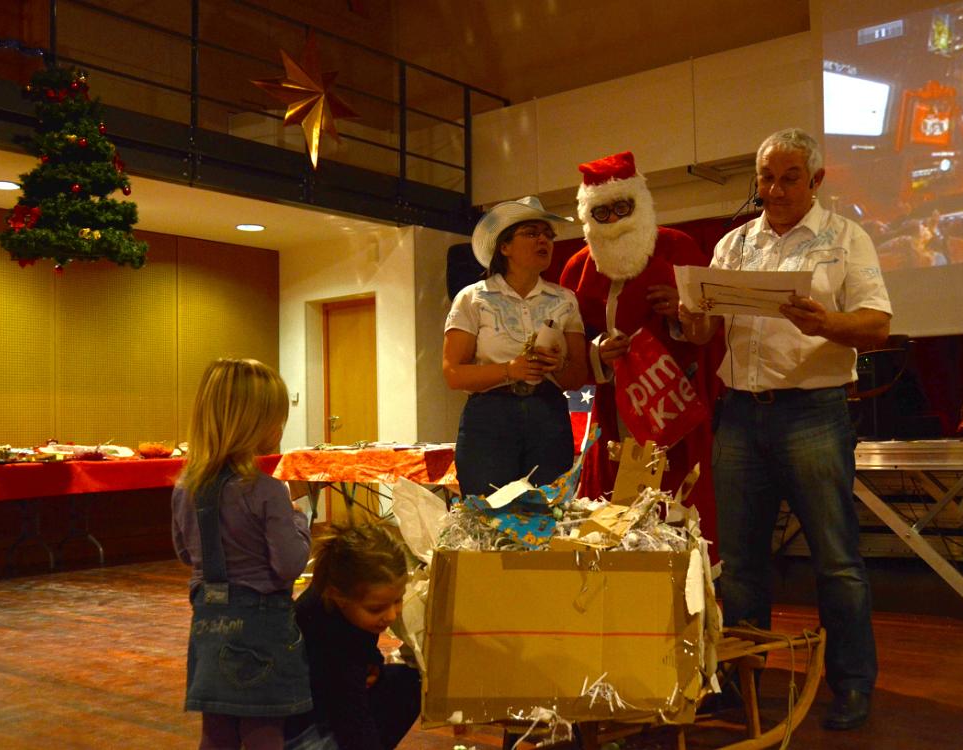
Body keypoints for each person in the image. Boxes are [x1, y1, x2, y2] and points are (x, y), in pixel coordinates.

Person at [680, 128, 892, 731]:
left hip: (813, 413)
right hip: (740, 414)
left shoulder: (845, 238)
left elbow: (876, 326)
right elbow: (702, 332)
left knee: (836, 558)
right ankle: (742, 680)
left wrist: (826, 323)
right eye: (766, 178)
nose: (774, 190)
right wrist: (692, 315)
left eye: (789, 178)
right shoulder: (733, 245)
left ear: (816, 180)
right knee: (740, 561)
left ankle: (852, 683)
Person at [559, 151, 720, 540]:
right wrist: (598, 353)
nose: (614, 221)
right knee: (612, 509)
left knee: (679, 506)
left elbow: (713, 330)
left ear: (640, 204)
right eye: (602, 213)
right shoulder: (578, 268)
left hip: (673, 406)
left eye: (622, 208)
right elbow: (571, 348)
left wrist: (683, 310)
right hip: (614, 411)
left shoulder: (677, 248)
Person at [172, 358, 312, 750]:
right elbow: (289, 565)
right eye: (276, 419)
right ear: (255, 425)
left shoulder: (185, 487)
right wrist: (299, 520)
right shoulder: (268, 490)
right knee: (264, 728)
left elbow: (185, 552)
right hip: (262, 623)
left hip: (208, 620)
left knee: (216, 728)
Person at [443, 196, 588, 497]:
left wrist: (558, 365)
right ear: (504, 247)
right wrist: (510, 370)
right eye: (532, 233)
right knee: (488, 510)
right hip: (490, 417)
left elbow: (578, 376)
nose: (543, 240)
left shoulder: (565, 300)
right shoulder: (473, 298)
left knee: (549, 509)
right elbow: (453, 373)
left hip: (548, 414)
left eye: (548, 235)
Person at [284, 524, 419, 750]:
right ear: (339, 597)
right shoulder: (328, 636)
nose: (391, 615)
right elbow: (351, 718)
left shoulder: (345, 603)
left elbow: (364, 649)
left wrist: (373, 663)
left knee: (411, 682)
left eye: (398, 600)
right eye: (376, 608)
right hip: (303, 727)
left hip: (335, 701)